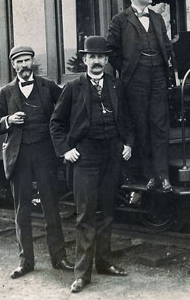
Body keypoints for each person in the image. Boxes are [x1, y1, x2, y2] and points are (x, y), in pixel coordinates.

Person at [50, 36, 134, 293]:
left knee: (107, 211)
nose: (96, 61)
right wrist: (66, 150)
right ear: (84, 60)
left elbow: (127, 120)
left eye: (101, 57)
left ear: (107, 60)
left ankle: (104, 263)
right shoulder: (73, 88)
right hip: (85, 156)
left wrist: (128, 143)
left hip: (111, 154)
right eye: (92, 57)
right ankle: (81, 273)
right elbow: (56, 123)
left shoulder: (117, 86)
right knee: (85, 214)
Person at [0, 45, 74, 279]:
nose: (24, 65)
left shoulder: (48, 87)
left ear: (32, 62)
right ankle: (25, 261)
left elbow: (66, 108)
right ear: (13, 65)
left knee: (51, 207)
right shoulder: (6, 92)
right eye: (19, 62)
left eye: (27, 60)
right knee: (21, 210)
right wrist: (9, 119)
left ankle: (60, 258)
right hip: (19, 157)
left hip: (45, 155)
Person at [107, 0, 173, 192]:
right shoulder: (119, 20)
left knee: (160, 125)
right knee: (141, 126)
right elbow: (112, 52)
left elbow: (166, 46)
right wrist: (128, 69)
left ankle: (163, 175)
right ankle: (149, 175)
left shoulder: (157, 18)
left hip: (158, 78)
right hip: (135, 80)